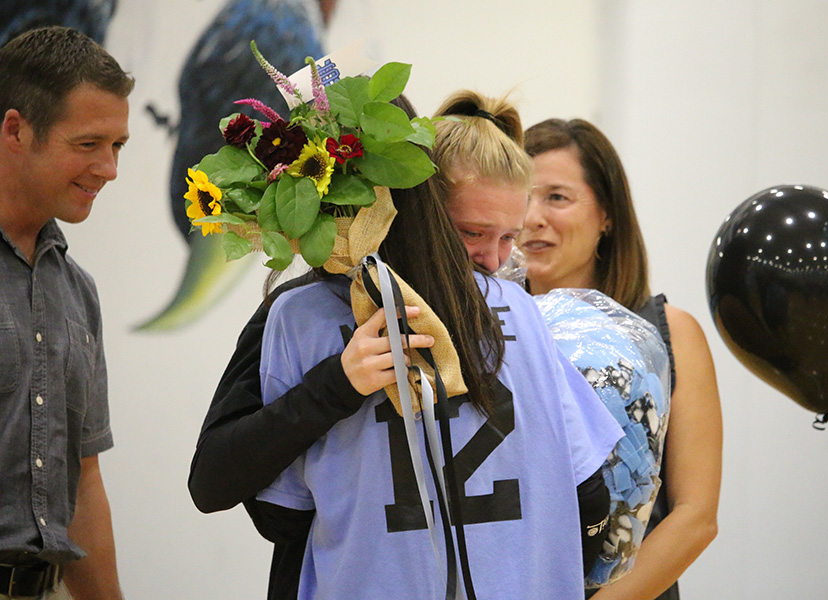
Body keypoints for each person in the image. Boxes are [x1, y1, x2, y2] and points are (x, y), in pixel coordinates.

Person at [188, 91, 621, 598]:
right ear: (420, 211)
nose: (491, 260)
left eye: (510, 238)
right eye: (473, 233)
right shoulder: (302, 314)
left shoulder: (303, 315)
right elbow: (590, 496)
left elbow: (282, 517)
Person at [519, 118, 722, 600]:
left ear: (606, 215)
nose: (532, 218)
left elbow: (696, 517)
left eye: (556, 197)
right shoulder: (487, 330)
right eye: (521, 196)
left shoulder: (670, 331)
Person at [0, 26, 133, 600]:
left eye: (118, 146)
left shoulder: (78, 291)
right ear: (15, 130)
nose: (109, 168)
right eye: (88, 144)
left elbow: (82, 482)